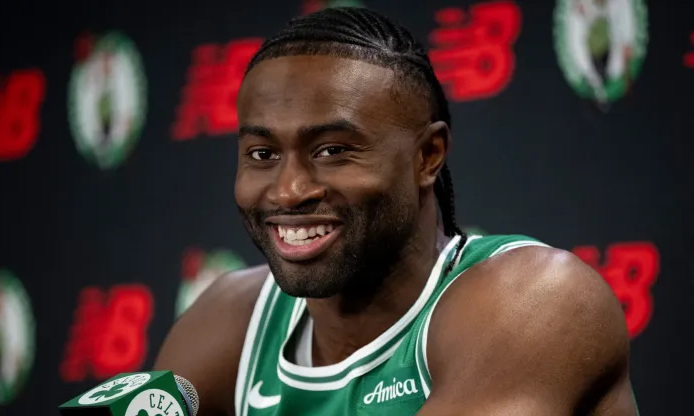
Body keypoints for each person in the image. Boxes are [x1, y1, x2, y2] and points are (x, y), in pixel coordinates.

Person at [154, 7, 638, 415]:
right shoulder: (231, 319)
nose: (288, 191)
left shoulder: (539, 299)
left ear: (428, 155)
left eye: (332, 151)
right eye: (263, 154)